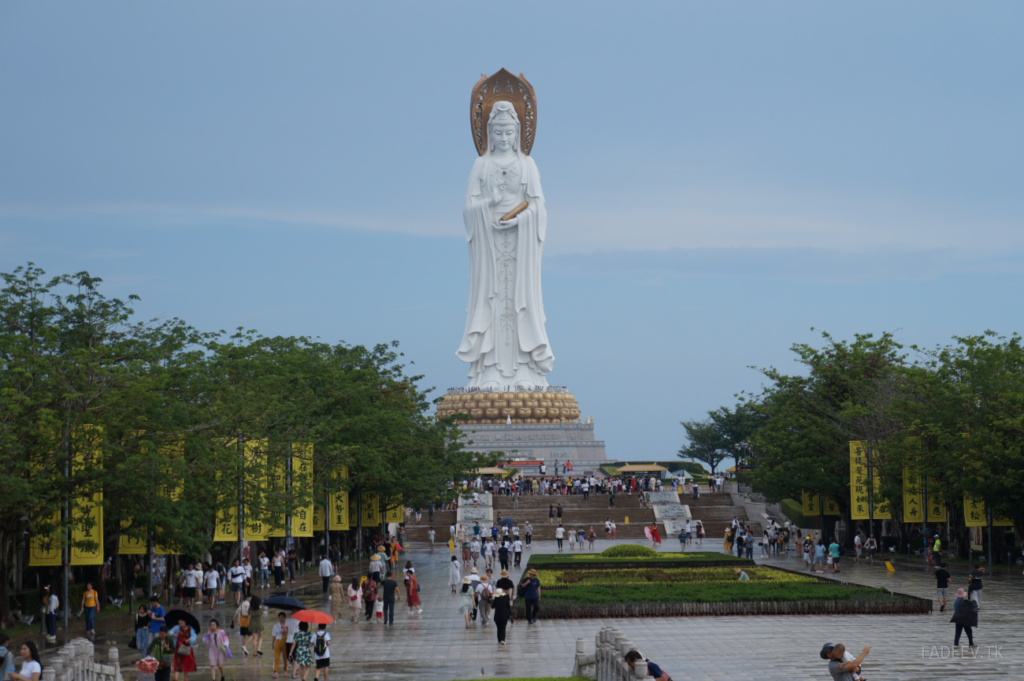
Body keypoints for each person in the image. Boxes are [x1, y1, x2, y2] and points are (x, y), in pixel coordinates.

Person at [271, 613, 290, 679]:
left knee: (285, 658)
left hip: (285, 642)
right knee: (276, 658)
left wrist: (284, 628)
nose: (281, 619)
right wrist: (272, 644)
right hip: (277, 642)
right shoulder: (275, 626)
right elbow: (274, 636)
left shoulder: (287, 625)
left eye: (282, 617)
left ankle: (285, 671)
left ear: (284, 618)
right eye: (280, 617)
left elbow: (288, 633)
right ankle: (275, 672)